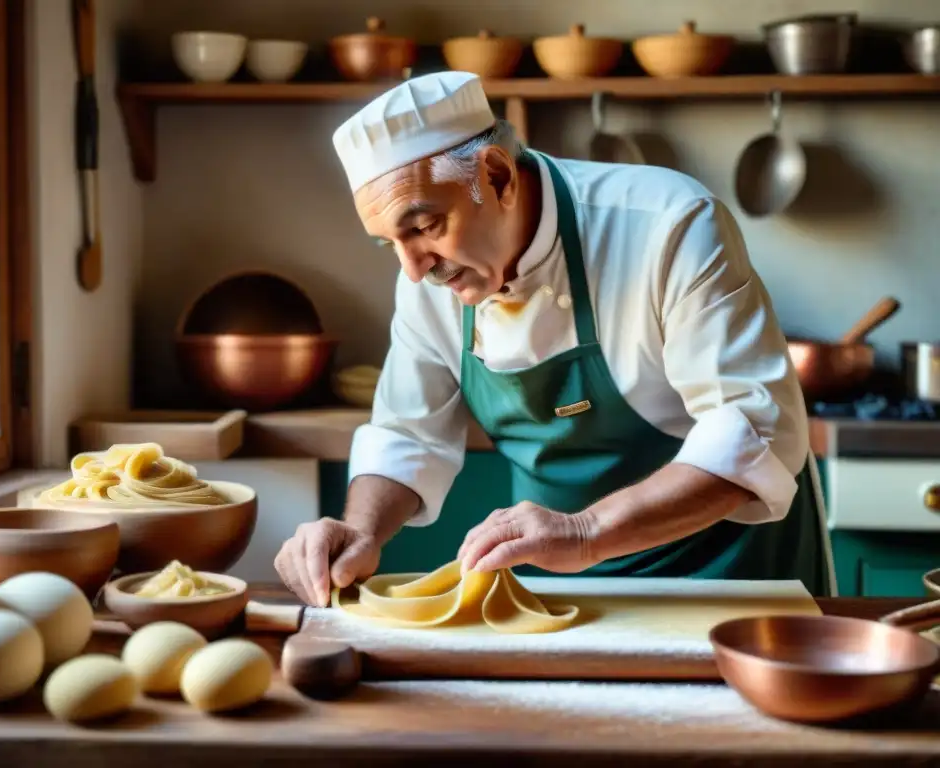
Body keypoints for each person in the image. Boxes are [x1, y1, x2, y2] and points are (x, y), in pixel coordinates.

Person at [274, 71, 832, 607]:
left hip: (729, 574)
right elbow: (407, 435)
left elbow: (752, 429)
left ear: (496, 177)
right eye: (388, 243)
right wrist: (359, 529)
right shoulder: (428, 279)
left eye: (423, 227)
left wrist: (588, 531)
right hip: (568, 589)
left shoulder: (669, 224)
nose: (414, 269)